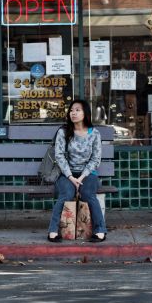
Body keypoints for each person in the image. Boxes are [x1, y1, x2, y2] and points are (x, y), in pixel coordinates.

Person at [47, 99, 107, 242]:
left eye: (77, 110)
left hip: (88, 174)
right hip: (66, 173)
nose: (73, 113)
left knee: (88, 194)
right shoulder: (63, 132)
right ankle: (53, 230)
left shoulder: (95, 134)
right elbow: (59, 156)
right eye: (72, 110)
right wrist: (70, 176)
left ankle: (100, 230)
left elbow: (95, 159)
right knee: (66, 194)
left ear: (85, 113)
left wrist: (81, 177)